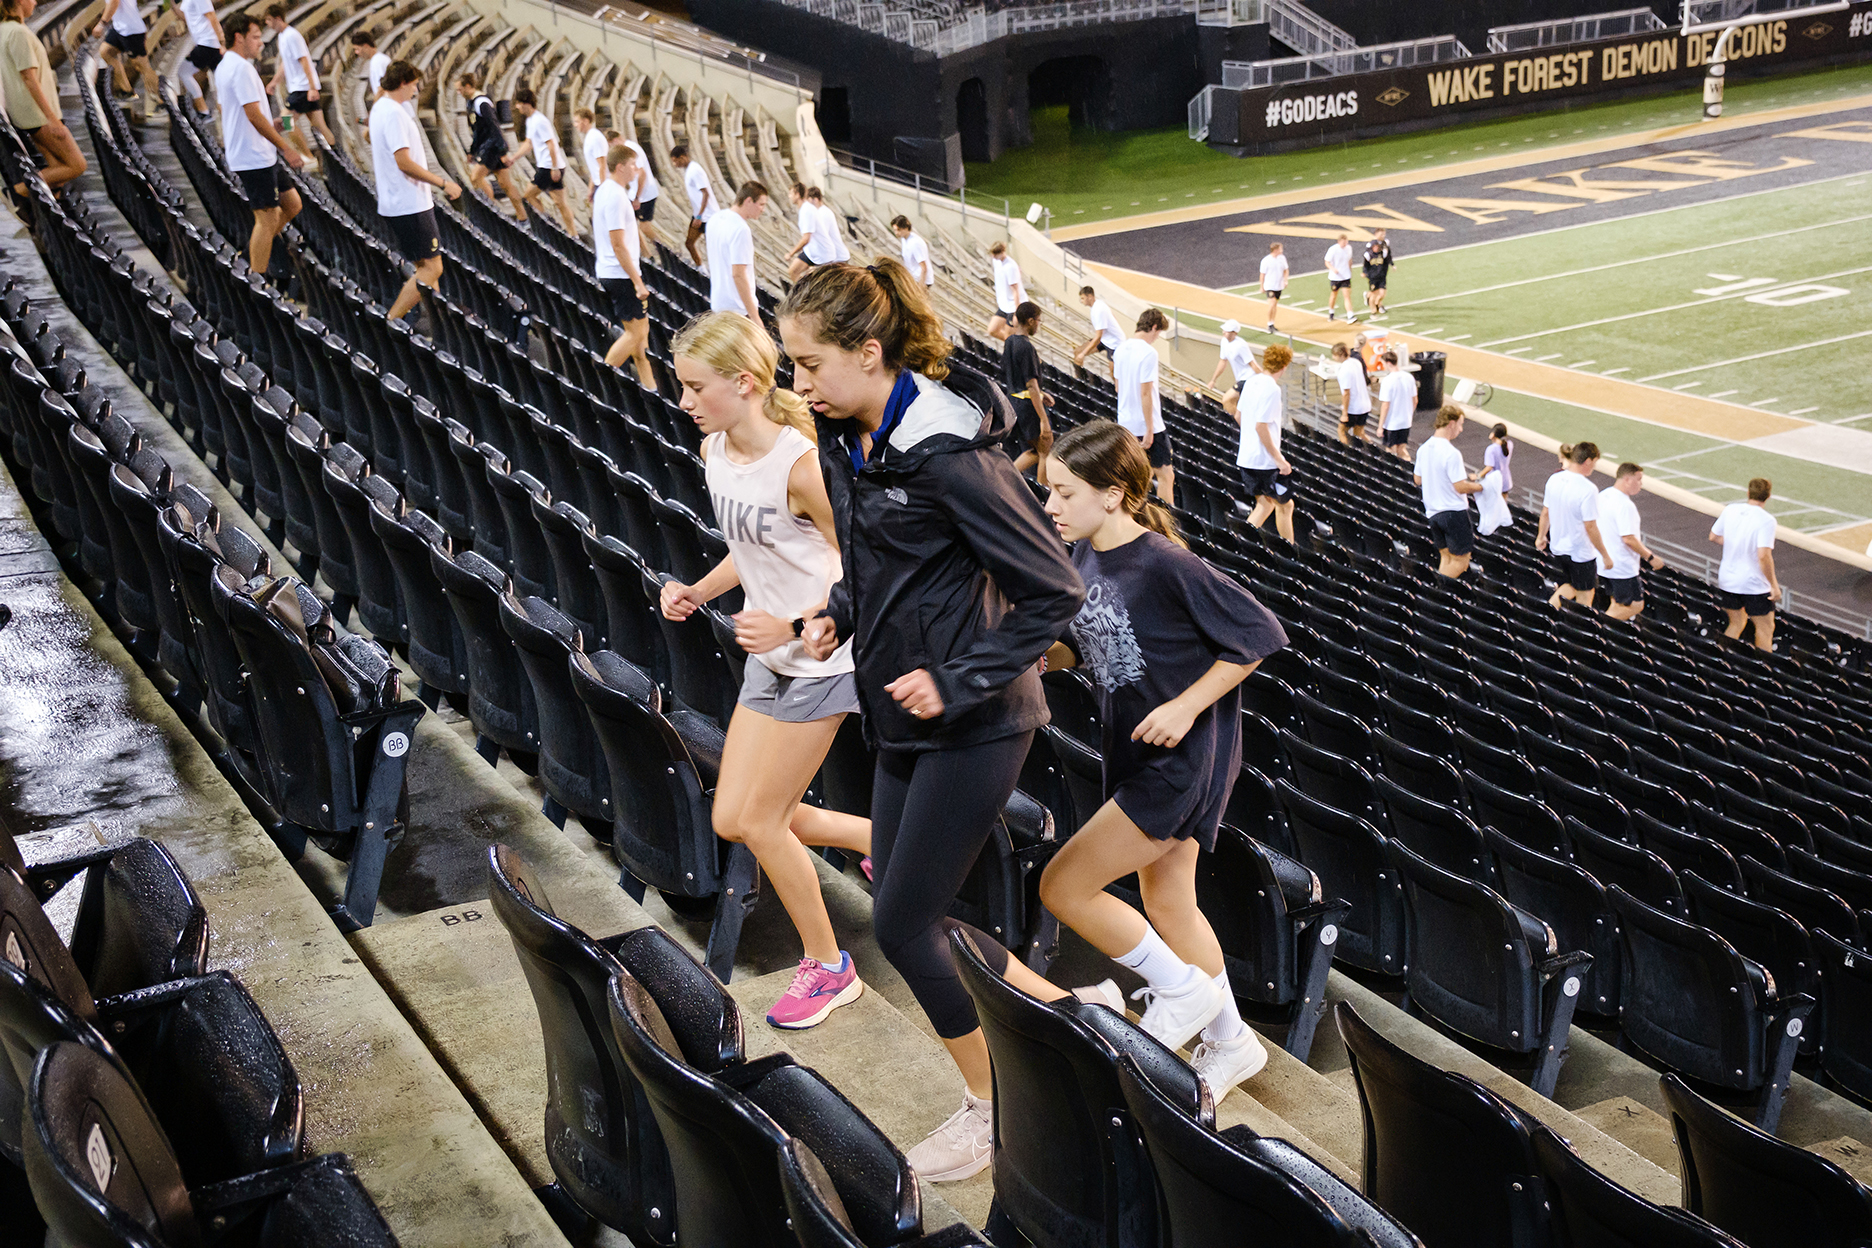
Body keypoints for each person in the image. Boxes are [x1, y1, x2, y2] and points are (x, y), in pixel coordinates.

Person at [784, 260, 1083, 1182]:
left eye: (808, 365)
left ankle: (999, 1110)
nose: (799, 385)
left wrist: (957, 680)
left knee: (905, 923)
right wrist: (837, 607)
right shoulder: (846, 436)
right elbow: (880, 560)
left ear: (869, 354)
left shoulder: (954, 457)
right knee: (914, 908)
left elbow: (1056, 592)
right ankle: (1067, 1026)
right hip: (901, 711)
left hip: (980, 717)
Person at [1038, 420, 1288, 1103]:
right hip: (1134, 747)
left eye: (1063, 492)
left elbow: (1260, 636)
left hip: (1182, 756)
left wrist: (1185, 707)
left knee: (1063, 887)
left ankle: (1182, 997)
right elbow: (1091, 641)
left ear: (1113, 495)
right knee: (1169, 899)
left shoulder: (1166, 562)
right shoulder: (1083, 555)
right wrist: (1048, 656)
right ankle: (1233, 1043)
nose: (1050, 505)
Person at [658, 311, 876, 1029]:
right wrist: (699, 589)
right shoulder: (716, 451)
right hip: (769, 659)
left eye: (695, 387)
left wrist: (795, 622)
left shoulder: (802, 464)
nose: (684, 401)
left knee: (760, 818)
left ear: (745, 383)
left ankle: (829, 965)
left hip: (820, 659)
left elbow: (865, 567)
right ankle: (877, 840)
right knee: (734, 817)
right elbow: (750, 549)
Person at [371, 61, 461, 323]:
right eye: (413, 84)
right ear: (402, 83)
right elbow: (404, 162)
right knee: (433, 267)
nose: (416, 89)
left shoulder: (381, 107)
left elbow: (369, 137)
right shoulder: (394, 114)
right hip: (409, 203)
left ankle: (439, 322)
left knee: (426, 266)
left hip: (400, 201)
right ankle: (392, 320)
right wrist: (443, 183)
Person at [214, 15, 301, 276]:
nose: (260, 42)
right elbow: (252, 115)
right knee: (267, 218)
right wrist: (286, 147)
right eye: (254, 36)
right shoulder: (240, 68)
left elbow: (235, 111)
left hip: (260, 152)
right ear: (239, 37)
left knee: (292, 204)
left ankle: (254, 251)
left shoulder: (226, 65)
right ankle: (256, 279)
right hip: (253, 156)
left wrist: (274, 124)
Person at [590, 144, 656, 391]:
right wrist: (637, 281)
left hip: (612, 271)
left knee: (641, 334)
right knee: (635, 335)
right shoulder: (616, 196)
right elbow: (618, 244)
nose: (637, 170)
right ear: (620, 167)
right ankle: (602, 383)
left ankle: (651, 388)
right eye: (633, 165)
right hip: (620, 274)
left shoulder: (606, 190)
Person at [1, 0, 84, 188]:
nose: (35, 2)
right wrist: (52, 120)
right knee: (76, 165)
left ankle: (51, 210)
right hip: (38, 115)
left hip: (27, 113)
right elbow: (29, 78)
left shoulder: (5, 29)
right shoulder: (18, 32)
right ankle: (20, 190)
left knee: (58, 170)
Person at [1536, 442, 1613, 611]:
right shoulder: (1588, 489)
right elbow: (1590, 527)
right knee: (1585, 595)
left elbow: (1545, 512)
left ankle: (1547, 613)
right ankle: (1579, 629)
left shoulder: (1554, 479)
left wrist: (1541, 536)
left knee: (1571, 585)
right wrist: (1605, 555)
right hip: (1580, 552)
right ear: (1588, 461)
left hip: (1559, 547)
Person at [1414, 405, 1484, 579]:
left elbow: (1418, 479)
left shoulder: (1424, 448)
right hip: (1453, 513)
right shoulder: (1451, 453)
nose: (1460, 430)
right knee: (1461, 562)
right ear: (1451, 423)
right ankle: (1434, 594)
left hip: (1434, 513)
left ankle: (1438, 597)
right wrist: (1483, 487)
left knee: (1446, 558)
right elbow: (1460, 487)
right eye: (1460, 425)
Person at [1113, 308, 1174, 507]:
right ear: (1154, 327)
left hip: (1125, 422)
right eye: (1158, 333)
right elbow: (1146, 393)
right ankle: (1166, 521)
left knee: (1140, 475)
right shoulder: (1149, 352)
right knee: (1166, 475)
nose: (1156, 338)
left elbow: (1118, 386)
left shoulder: (1121, 349)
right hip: (1148, 424)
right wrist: (1149, 429)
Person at [1711, 478, 1779, 650]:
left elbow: (1714, 536)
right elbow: (1763, 556)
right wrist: (1774, 585)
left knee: (1736, 623)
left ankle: (1721, 660)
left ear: (1748, 493)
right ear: (1768, 496)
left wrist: (1736, 542)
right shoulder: (1767, 520)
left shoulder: (1731, 509)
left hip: (1728, 579)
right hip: (1753, 584)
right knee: (1765, 628)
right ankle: (1763, 672)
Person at [1237, 343, 1294, 543]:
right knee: (1282, 506)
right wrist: (1280, 460)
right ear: (1284, 366)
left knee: (1267, 504)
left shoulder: (1252, 382)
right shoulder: (1272, 389)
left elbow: (1239, 415)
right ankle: (1289, 551)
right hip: (1264, 461)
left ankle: (1242, 540)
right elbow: (1261, 427)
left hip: (1247, 457)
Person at [263, 5, 332, 161]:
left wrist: (313, 88)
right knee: (320, 126)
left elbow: (304, 61)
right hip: (303, 88)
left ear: (277, 18)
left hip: (303, 88)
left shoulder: (292, 36)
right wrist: (274, 82)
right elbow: (285, 63)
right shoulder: (283, 36)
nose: (267, 24)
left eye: (268, 20)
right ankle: (335, 156)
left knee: (286, 121)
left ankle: (308, 157)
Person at [508, 88, 575, 235]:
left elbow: (551, 144)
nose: (517, 107)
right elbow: (528, 144)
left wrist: (555, 168)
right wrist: (514, 158)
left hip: (548, 167)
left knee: (529, 195)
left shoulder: (539, 121)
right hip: (550, 166)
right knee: (560, 203)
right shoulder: (531, 120)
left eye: (519, 104)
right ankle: (572, 233)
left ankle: (545, 226)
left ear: (526, 103)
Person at [1599, 463, 1662, 621]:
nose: (1641, 484)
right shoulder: (1625, 505)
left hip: (1604, 562)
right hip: (1621, 567)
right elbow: (1628, 538)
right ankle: (1598, 629)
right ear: (1627, 479)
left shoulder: (1603, 495)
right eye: (1638, 479)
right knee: (1635, 605)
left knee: (1617, 604)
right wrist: (1651, 557)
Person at [458, 72, 522, 219]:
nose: (458, 93)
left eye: (460, 89)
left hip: (492, 147)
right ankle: (523, 217)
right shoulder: (472, 102)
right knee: (505, 184)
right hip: (489, 146)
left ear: (468, 86)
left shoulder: (482, 103)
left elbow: (494, 127)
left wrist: (502, 149)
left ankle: (491, 214)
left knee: (476, 178)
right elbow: (478, 130)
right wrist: (472, 151)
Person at [1001, 302, 1051, 486]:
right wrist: (1043, 419)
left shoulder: (1009, 341)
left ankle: (1004, 477)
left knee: (1035, 451)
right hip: (1027, 407)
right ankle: (1042, 492)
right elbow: (1030, 384)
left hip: (1014, 402)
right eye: (1038, 320)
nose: (1038, 324)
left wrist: (1042, 393)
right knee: (1045, 449)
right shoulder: (1027, 348)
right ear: (1030, 321)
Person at [705, 180, 768, 319]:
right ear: (749, 201)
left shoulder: (714, 219)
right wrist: (755, 316)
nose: (763, 209)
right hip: (738, 308)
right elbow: (738, 274)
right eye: (761, 204)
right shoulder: (741, 229)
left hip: (718, 304)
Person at [94, 0, 156, 111]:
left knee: (142, 66)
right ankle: (127, 91)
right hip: (119, 28)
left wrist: (101, 23)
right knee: (105, 52)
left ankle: (161, 101)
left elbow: (114, 2)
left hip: (131, 30)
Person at [786, 183, 839, 282]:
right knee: (793, 271)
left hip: (822, 253)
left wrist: (791, 253)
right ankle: (803, 293)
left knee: (796, 272)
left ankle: (805, 294)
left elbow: (806, 238)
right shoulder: (805, 209)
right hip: (813, 251)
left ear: (797, 195)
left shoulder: (807, 210)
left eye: (791, 194)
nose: (789, 196)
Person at [1207, 320, 1257, 418]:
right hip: (1240, 379)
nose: (1224, 332)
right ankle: (1239, 422)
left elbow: (1252, 364)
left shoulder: (1241, 345)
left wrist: (1264, 378)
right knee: (1238, 406)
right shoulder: (1224, 342)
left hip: (1248, 378)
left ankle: (1240, 424)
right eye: (1224, 330)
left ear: (1234, 333)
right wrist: (1213, 380)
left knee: (1227, 399)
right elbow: (1223, 361)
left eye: (1227, 331)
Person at [178, 0, 223, 104]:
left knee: (184, 71)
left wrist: (222, 41)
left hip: (208, 42)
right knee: (217, 80)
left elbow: (212, 16)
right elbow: (185, 16)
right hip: (204, 42)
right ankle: (210, 109)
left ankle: (204, 110)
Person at [674, 144, 712, 264]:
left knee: (712, 249)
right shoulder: (689, 170)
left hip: (707, 217)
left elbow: (706, 193)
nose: (675, 165)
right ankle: (701, 267)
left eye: (676, 161)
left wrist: (700, 216)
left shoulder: (695, 170)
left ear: (683, 157)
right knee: (689, 243)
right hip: (699, 215)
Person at [1072, 285, 1124, 367]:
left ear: (1089, 297)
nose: (1081, 301)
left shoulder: (1099, 310)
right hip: (1104, 339)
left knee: (1113, 372)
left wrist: (1083, 354)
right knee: (1077, 352)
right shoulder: (1096, 305)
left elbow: (1098, 337)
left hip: (1114, 343)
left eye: (1082, 298)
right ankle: (1078, 378)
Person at [1377, 351, 1416, 461]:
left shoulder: (1387, 381)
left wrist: (1380, 426)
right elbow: (1415, 400)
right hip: (1405, 421)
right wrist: (1409, 414)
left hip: (1392, 423)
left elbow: (1385, 405)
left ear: (1388, 363)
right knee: (1402, 449)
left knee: (1390, 450)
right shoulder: (1409, 377)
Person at [1331, 341, 1371, 446]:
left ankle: (1347, 453)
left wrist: (1344, 413)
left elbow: (1346, 393)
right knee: (1359, 433)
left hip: (1354, 408)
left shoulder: (1344, 370)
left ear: (1339, 355)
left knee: (1342, 431)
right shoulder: (1355, 362)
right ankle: (1372, 449)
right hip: (1365, 405)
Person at [985, 242, 1024, 341]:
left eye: (995, 254)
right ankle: (1014, 347)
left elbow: (1015, 290)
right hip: (1004, 305)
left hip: (1012, 306)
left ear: (1002, 252)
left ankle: (1018, 351)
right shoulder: (997, 261)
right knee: (992, 330)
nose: (993, 256)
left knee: (1009, 337)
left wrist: (1017, 312)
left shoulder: (1010, 267)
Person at [892, 215, 933, 287]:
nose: (896, 233)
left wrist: (921, 285)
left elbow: (924, 267)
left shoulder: (915, 243)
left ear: (906, 228)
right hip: (913, 279)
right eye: (895, 230)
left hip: (921, 281)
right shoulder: (904, 239)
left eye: (898, 230)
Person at [1323, 232, 1356, 323]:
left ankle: (1350, 315)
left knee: (1347, 296)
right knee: (1334, 295)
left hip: (1345, 276)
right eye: (1343, 242)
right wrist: (1333, 269)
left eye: (1346, 242)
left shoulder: (1349, 248)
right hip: (1335, 277)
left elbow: (1350, 260)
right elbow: (1327, 262)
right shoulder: (1333, 249)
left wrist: (1350, 270)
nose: (1345, 244)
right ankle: (1331, 312)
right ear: (1339, 242)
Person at [1363, 228, 1396, 317]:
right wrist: (1365, 272)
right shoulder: (1371, 245)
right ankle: (1374, 309)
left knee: (1382, 293)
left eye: (1384, 234)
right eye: (1381, 234)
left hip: (1382, 270)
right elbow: (1367, 260)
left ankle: (1376, 302)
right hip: (1374, 272)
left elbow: (1388, 255)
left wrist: (1392, 264)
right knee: (1375, 292)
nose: (1383, 236)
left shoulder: (1385, 243)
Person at [575, 107, 606, 197]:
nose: (575, 125)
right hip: (598, 184)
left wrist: (603, 189)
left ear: (585, 121)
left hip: (603, 184)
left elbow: (602, 165)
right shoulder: (589, 137)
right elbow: (594, 166)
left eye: (577, 121)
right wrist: (590, 187)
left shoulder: (595, 137)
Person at [1258, 242, 1288, 335]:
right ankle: (1269, 323)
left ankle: (1272, 323)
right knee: (1272, 303)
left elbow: (1286, 269)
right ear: (1276, 250)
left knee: (1274, 305)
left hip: (1279, 286)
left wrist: (1285, 280)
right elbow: (1262, 274)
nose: (1282, 250)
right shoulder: (1266, 260)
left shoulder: (1282, 258)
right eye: (1280, 248)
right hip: (1270, 286)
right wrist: (1261, 286)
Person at [1484, 422, 1514, 493]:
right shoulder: (1509, 445)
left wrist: (1478, 475)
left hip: (1494, 482)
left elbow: (1489, 467)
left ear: (1493, 434)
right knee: (1503, 503)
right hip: (1506, 480)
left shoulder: (1491, 449)